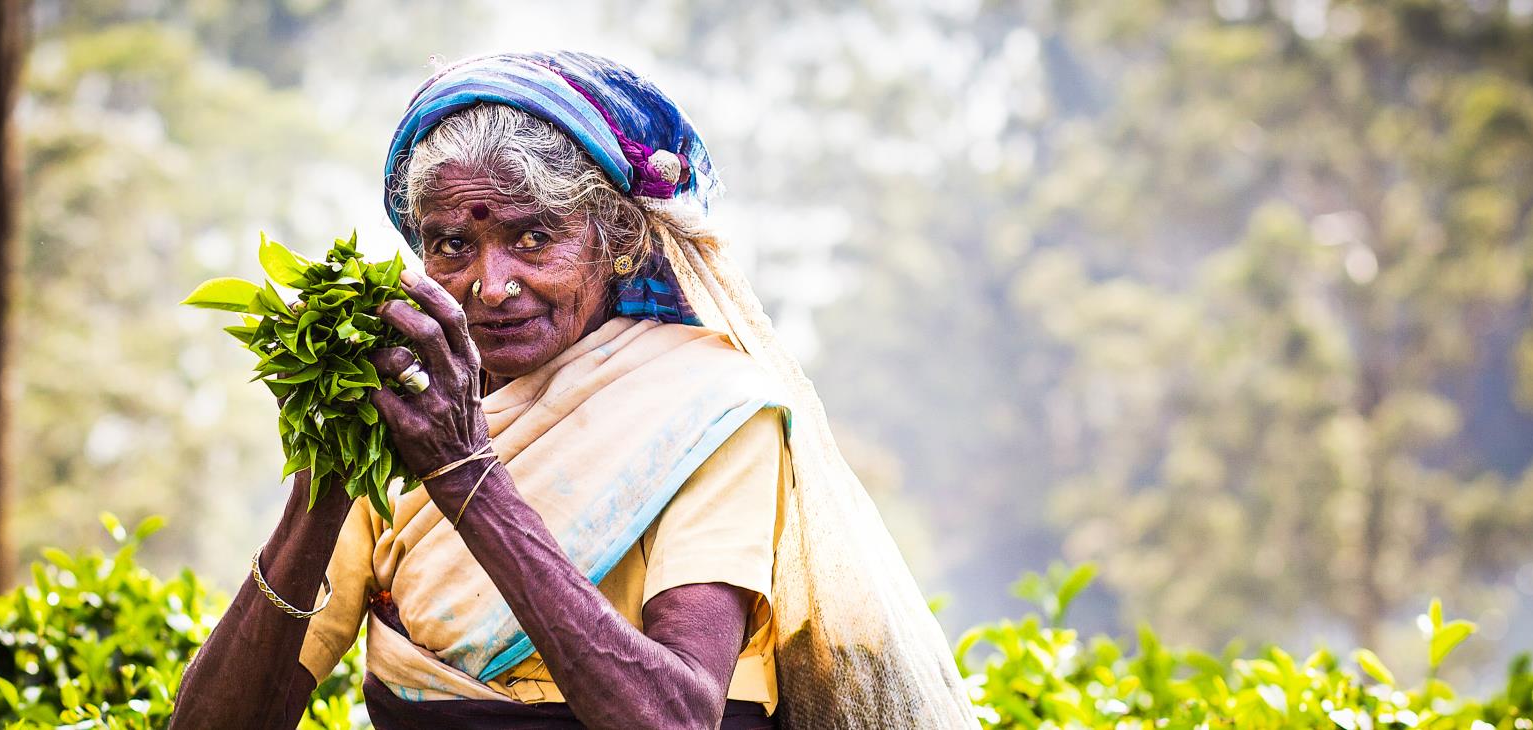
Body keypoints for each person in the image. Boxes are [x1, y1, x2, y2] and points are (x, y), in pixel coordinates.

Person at [170, 51, 975, 729]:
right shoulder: (408, 412)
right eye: (453, 243)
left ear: (616, 243)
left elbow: (675, 715)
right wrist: (330, 473)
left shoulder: (708, 410)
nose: (490, 284)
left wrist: (463, 474)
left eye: (532, 237)